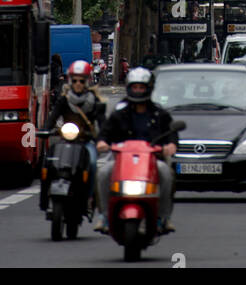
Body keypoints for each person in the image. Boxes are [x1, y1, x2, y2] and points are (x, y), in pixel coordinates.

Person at [95, 67, 179, 234]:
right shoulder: (120, 112)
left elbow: (171, 133)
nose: (138, 91)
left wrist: (171, 145)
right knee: (103, 173)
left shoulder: (158, 112)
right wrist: (102, 142)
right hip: (122, 159)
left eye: (142, 87)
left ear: (149, 88)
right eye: (135, 87)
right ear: (129, 88)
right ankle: (104, 215)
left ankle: (163, 217)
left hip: (153, 159)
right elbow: (105, 132)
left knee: (166, 173)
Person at [41, 59, 105, 214]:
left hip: (86, 141)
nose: (78, 83)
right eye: (74, 80)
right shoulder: (64, 99)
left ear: (87, 81)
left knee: (92, 162)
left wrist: (101, 139)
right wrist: (45, 130)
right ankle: (45, 198)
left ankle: (89, 198)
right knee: (48, 161)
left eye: (81, 80)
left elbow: (102, 123)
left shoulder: (95, 101)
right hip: (66, 140)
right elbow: (53, 116)